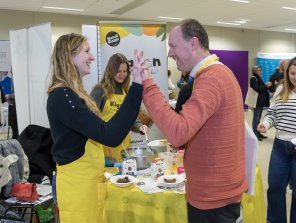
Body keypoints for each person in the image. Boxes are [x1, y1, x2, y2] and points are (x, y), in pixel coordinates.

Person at [138, 19, 247, 223]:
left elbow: (178, 132)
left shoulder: (212, 79)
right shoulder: (217, 74)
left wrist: (148, 86)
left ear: (193, 43)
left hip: (213, 199)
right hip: (220, 193)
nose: (169, 53)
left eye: (172, 45)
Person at [46, 33, 143, 223]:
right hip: (78, 190)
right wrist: (137, 87)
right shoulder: (62, 96)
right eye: (87, 51)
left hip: (88, 187)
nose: (92, 57)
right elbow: (109, 135)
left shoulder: (73, 94)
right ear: (69, 56)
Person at [257, 57, 296, 223]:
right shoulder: (281, 89)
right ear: (288, 73)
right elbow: (273, 114)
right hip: (280, 147)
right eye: (293, 73)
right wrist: (265, 124)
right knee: (275, 188)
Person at [90, 53, 147, 163]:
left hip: (124, 148)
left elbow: (130, 118)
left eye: (125, 71)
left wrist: (140, 127)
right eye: (118, 71)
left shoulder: (126, 92)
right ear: (111, 71)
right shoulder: (100, 90)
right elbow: (91, 120)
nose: (122, 75)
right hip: (105, 150)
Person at [249, 65, 272, 141]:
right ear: (255, 71)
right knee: (256, 118)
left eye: (261, 70)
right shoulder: (253, 78)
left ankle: (258, 133)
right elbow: (257, 89)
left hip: (260, 101)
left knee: (258, 118)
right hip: (257, 101)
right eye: (259, 70)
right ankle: (255, 134)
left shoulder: (258, 77)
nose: (260, 71)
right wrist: (266, 85)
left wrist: (266, 86)